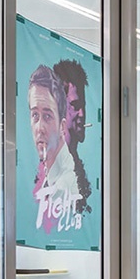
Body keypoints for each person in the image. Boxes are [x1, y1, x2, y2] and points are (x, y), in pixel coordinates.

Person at [28, 65, 81, 232]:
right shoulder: (50, 176)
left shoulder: (64, 187)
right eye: (35, 115)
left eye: (47, 116)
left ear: (62, 126)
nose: (39, 128)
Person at [53, 59, 92, 214]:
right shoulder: (52, 168)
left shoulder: (76, 166)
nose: (82, 114)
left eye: (83, 106)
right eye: (75, 106)